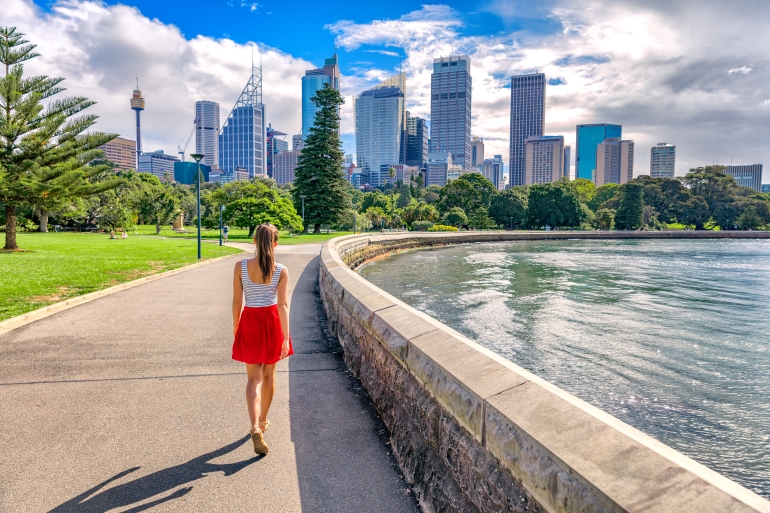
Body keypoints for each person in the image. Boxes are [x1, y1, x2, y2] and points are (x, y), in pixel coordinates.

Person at [231, 223, 293, 455]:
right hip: (271, 322)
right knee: (269, 375)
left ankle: (255, 425)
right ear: (275, 243)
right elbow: (282, 305)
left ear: (255, 242)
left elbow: (237, 302)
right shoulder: (281, 270)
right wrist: (286, 337)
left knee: (253, 379)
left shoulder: (241, 267)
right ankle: (263, 421)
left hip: (249, 321)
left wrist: (236, 328)